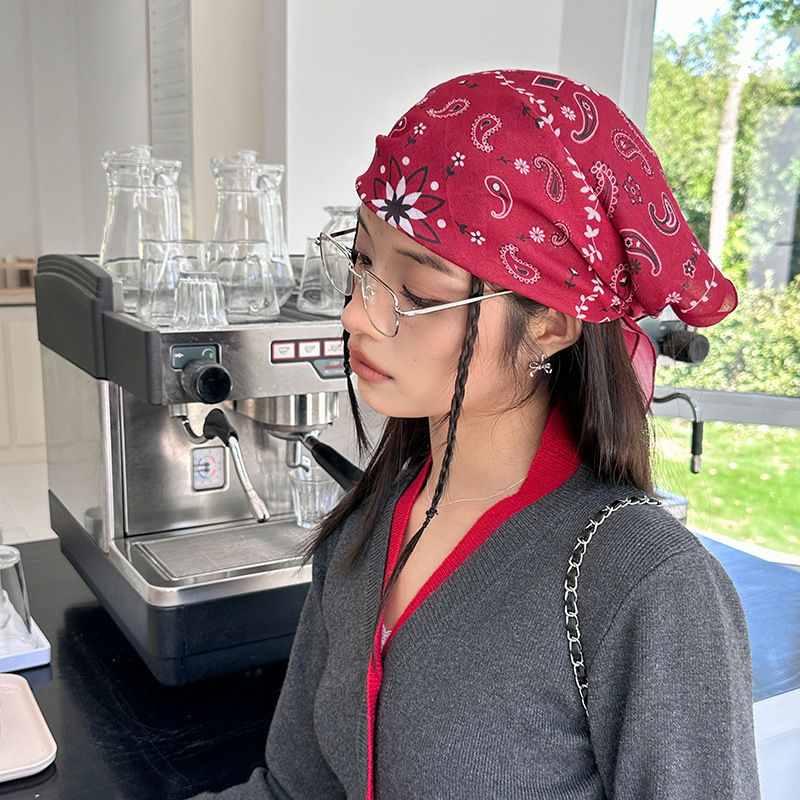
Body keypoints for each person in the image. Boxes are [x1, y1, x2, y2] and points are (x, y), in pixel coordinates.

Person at [195, 70, 760, 799]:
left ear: (549, 325)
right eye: (361, 262)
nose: (357, 314)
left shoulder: (645, 587)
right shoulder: (366, 526)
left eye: (419, 292)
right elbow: (296, 789)